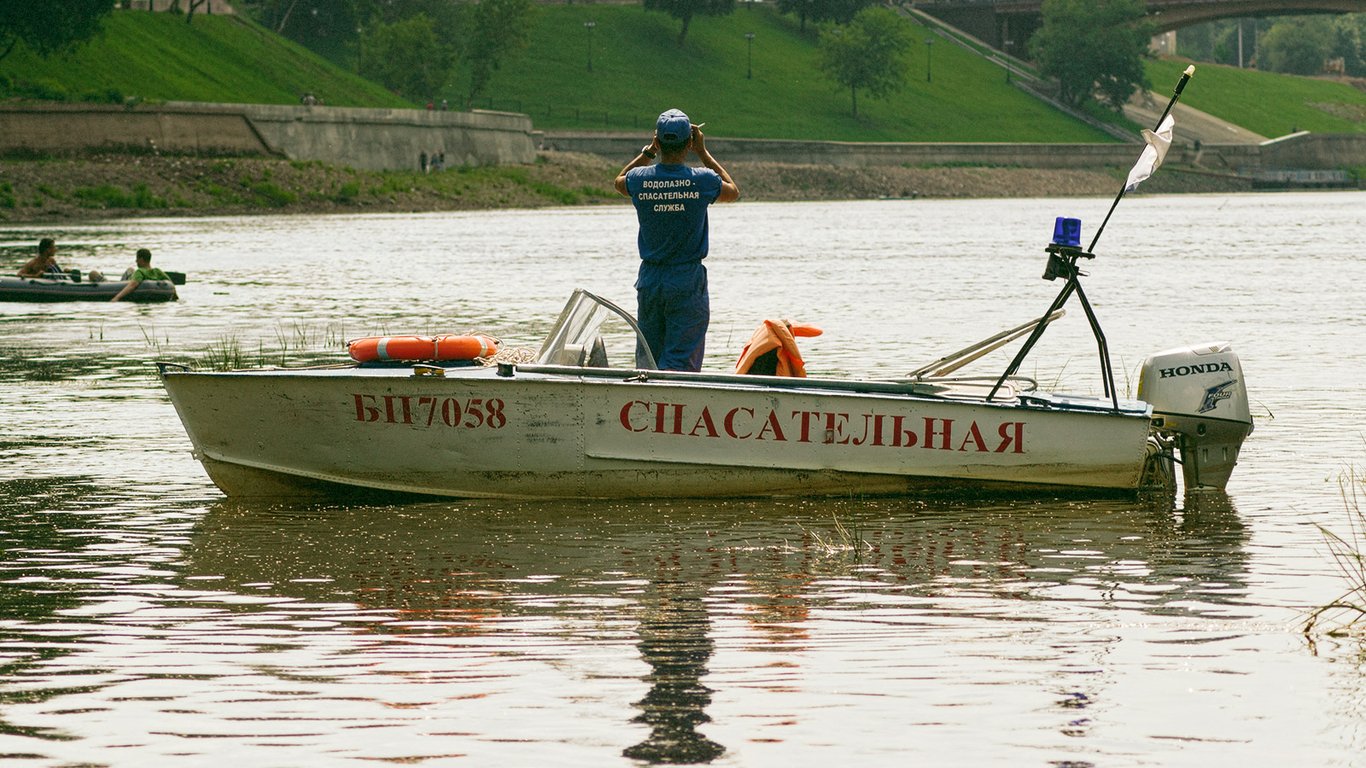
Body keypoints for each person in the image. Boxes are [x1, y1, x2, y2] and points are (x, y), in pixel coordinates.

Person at [614, 108, 740, 371]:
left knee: (649, 356)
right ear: (689, 143)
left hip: (650, 279)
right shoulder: (702, 180)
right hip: (686, 278)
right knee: (681, 358)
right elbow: (733, 191)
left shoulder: (639, 179)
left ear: (658, 142)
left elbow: (618, 182)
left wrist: (647, 153)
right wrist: (704, 154)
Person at [111, 248, 177, 302]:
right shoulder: (157, 271)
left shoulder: (140, 271)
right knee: (131, 270)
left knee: (130, 270)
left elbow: (133, 284)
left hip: (125, 283)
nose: (136, 261)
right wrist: (175, 296)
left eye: (137, 259)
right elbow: (171, 283)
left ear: (141, 259)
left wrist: (117, 297)